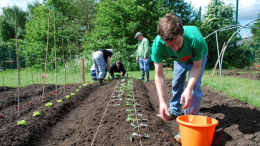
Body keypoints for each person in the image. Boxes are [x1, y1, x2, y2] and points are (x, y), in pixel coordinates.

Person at [152, 14, 208, 143]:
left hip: (196, 56)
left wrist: (188, 89)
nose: (175, 48)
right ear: (162, 39)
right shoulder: (158, 44)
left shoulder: (196, 40)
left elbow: (196, 67)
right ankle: (175, 111)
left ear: (182, 33)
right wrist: (161, 101)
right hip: (179, 60)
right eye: (170, 46)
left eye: (177, 43)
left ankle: (189, 126)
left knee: (193, 90)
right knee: (177, 82)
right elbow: (159, 74)